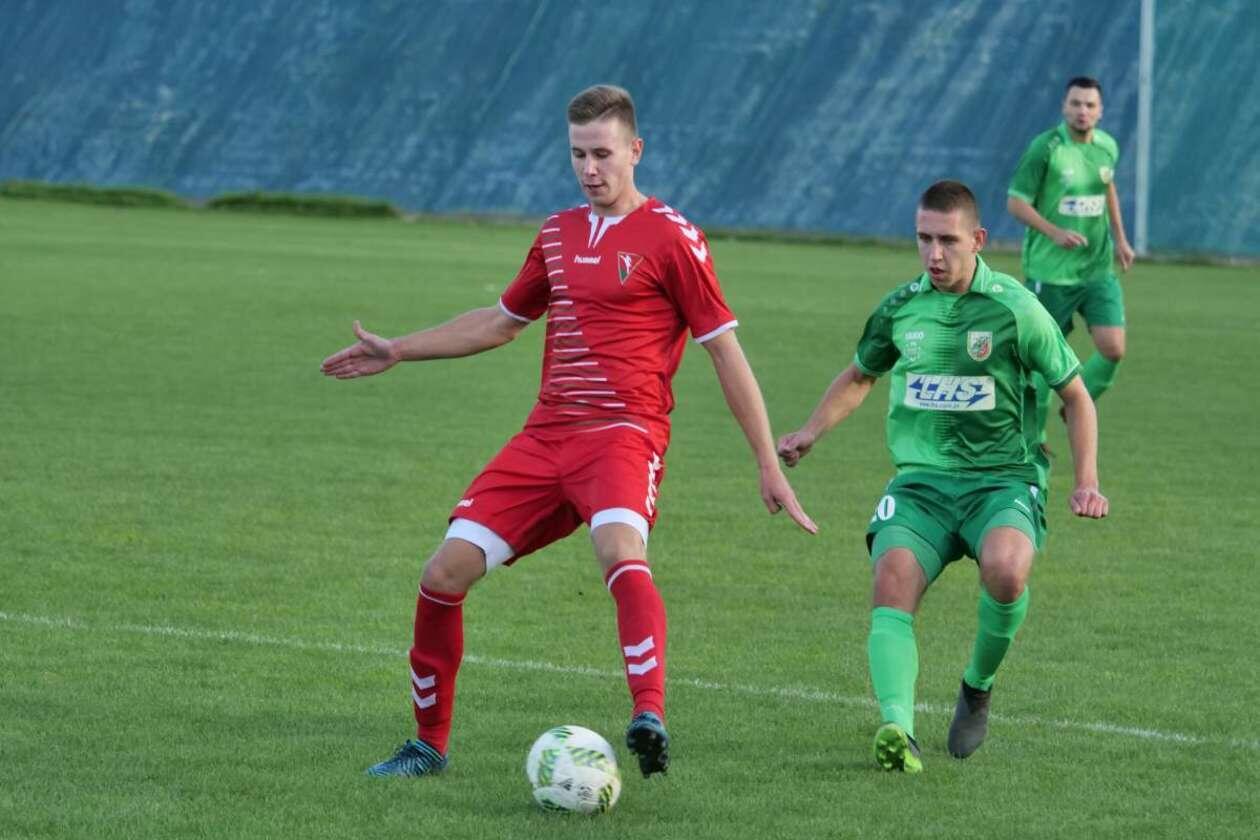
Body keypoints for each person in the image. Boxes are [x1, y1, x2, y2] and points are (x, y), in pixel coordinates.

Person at [321, 84, 816, 780]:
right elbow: (501, 322)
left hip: (623, 434)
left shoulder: (673, 237)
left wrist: (766, 461)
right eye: (579, 154)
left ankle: (649, 715)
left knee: (619, 550)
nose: (589, 168)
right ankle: (428, 746)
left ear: (635, 151)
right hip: (547, 436)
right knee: (442, 574)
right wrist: (400, 348)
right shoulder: (557, 233)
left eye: (603, 154)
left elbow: (725, 352)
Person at [777, 181, 1108, 773]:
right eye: (923, 238)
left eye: (947, 240)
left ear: (978, 239)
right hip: (923, 484)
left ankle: (977, 687)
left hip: (1001, 480)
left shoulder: (1016, 309)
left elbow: (1077, 396)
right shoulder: (901, 307)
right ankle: (898, 730)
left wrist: (1087, 480)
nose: (934, 253)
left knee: (1007, 571)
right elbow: (860, 375)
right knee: (892, 577)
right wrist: (809, 431)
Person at [1007, 76, 1136, 449]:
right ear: (1064, 107)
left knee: (1113, 347)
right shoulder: (1046, 148)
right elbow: (1015, 203)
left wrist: (1121, 238)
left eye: (1090, 105)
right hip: (1051, 273)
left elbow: (1107, 187)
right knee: (1040, 360)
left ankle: (1077, 404)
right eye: (1076, 103)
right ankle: (1033, 440)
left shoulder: (1106, 146)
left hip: (1096, 269)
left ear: (1100, 110)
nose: (1083, 111)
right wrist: (1054, 232)